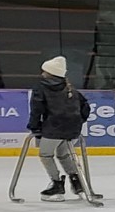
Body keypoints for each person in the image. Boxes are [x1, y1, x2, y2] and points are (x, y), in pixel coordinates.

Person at [27, 56, 89, 200]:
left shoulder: (41, 87)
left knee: (45, 154)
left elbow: (37, 109)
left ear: (48, 73)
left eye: (44, 71)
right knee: (63, 154)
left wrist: (34, 127)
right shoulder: (70, 87)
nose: (42, 73)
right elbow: (85, 107)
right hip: (73, 129)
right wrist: (78, 121)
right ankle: (77, 181)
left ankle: (56, 184)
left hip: (53, 128)